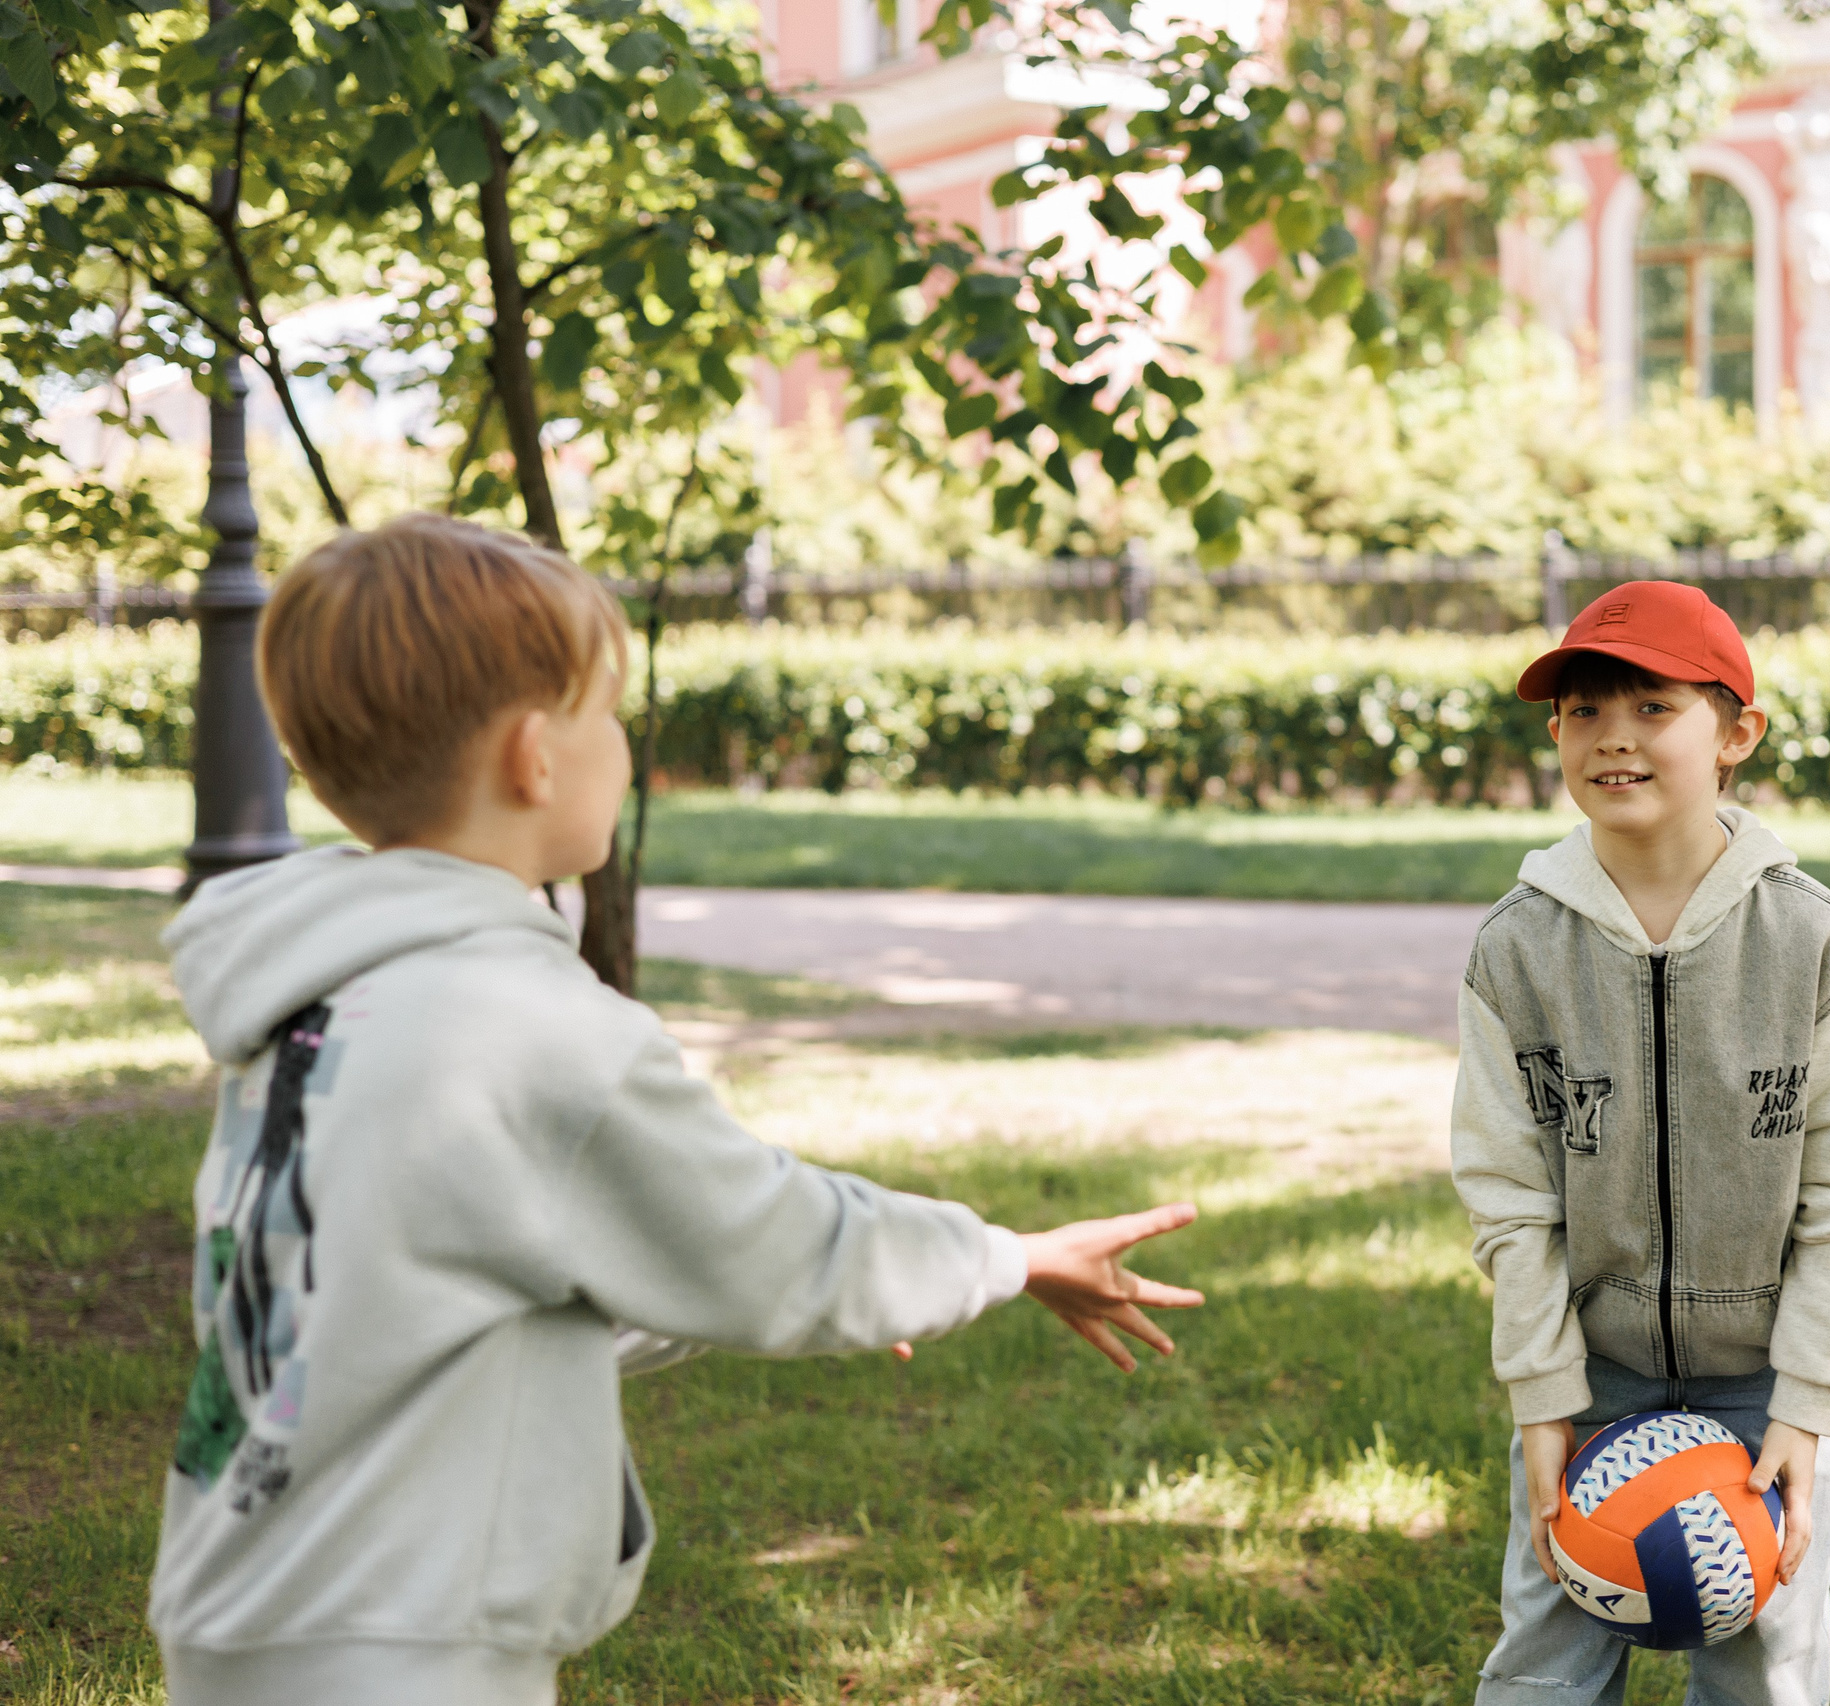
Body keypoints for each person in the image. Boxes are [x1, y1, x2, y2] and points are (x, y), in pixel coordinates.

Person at [149, 513, 1201, 1705]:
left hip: (245, 1609)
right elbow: (773, 1243)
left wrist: (801, 1294)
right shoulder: (531, 1028)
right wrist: (1003, 1258)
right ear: (536, 757)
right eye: (609, 713)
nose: (624, 745)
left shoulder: (322, 1004)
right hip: (399, 1642)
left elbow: (433, 1285)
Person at [1452, 581, 1830, 1706]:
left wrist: (1806, 1405)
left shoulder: (1806, 938)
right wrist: (1544, 1397)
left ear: (1736, 733)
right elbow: (1508, 1197)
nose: (1612, 735)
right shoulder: (1517, 947)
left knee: (1764, 1664)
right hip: (1591, 1376)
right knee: (1545, 1661)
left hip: (1764, 1381)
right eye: (1583, 710)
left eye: (1652, 707)